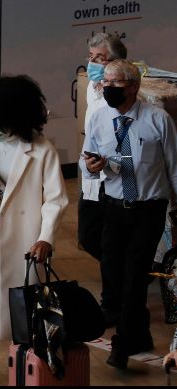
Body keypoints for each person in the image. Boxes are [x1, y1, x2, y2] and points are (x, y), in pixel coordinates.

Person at [0, 75, 68, 386]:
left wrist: (46, 237)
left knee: (24, 312)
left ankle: (23, 373)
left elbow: (56, 199)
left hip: (25, 239)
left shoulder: (42, 150)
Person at [81, 59, 177, 370]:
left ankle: (122, 345)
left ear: (133, 87)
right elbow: (86, 160)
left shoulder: (158, 120)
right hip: (113, 205)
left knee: (135, 277)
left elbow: (175, 168)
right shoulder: (98, 118)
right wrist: (91, 167)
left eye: (115, 85)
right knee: (114, 274)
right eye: (105, 84)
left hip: (148, 208)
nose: (108, 89)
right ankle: (141, 335)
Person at [79, 32, 127, 265]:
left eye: (100, 58)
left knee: (110, 236)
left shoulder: (123, 95)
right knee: (88, 236)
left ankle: (124, 273)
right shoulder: (91, 87)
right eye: (91, 57)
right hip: (90, 171)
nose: (92, 63)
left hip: (114, 174)